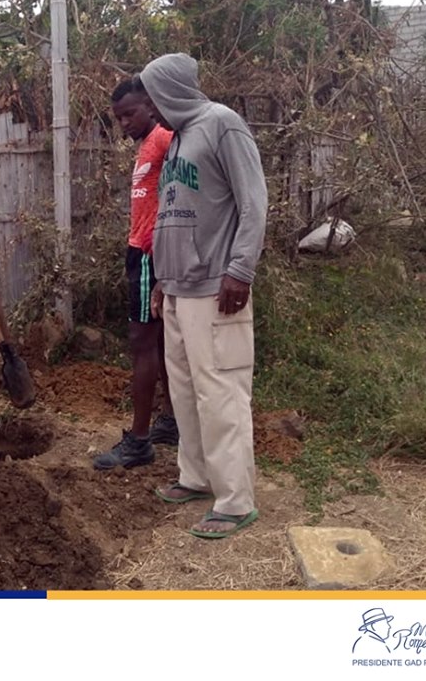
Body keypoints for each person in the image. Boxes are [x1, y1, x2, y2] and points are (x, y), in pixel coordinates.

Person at [141, 52, 267, 538]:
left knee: (221, 393)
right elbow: (176, 212)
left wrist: (241, 269)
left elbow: (254, 201)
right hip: (178, 288)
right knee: (186, 391)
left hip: (216, 287)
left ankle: (235, 501)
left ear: (171, 90)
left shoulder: (222, 124)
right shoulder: (178, 138)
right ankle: (195, 477)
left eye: (154, 96)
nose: (151, 107)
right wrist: (162, 281)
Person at [93, 76, 177, 470]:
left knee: (141, 342)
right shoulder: (146, 145)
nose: (124, 123)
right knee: (158, 343)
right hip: (140, 251)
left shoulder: (163, 138)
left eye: (130, 114)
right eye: (119, 118)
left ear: (151, 106)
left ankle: (139, 441)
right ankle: (171, 422)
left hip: (149, 254)